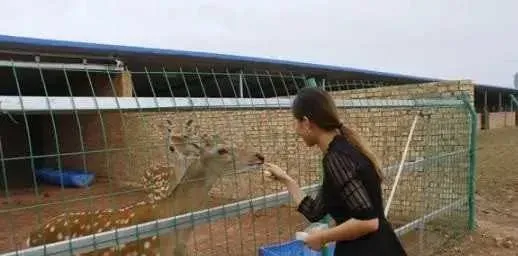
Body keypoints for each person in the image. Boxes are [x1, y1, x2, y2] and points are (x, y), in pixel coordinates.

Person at [263, 87, 407, 255]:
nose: (296, 130)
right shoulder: (343, 150)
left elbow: (368, 221)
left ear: (307, 122)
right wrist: (286, 179)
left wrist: (322, 237)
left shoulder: (336, 158)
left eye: (296, 122)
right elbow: (315, 211)